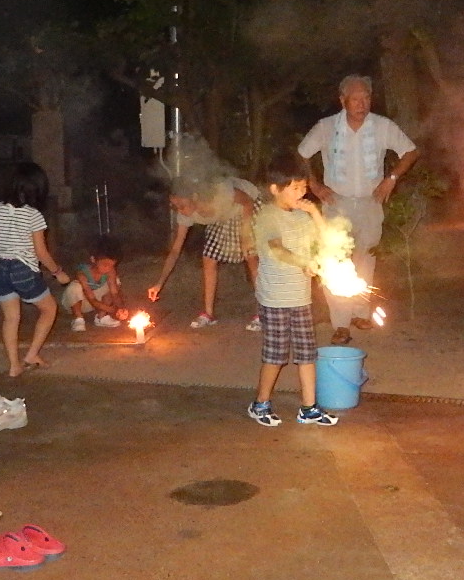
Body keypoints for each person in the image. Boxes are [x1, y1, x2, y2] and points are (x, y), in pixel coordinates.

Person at [297, 74, 419, 345]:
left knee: (366, 257)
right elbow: (302, 153)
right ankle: (340, 323)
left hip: (370, 202)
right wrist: (313, 183)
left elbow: (411, 152)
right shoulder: (327, 127)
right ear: (343, 100)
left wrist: (391, 179)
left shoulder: (382, 126)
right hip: (336, 203)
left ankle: (360, 312)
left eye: (366, 98)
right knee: (335, 260)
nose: (362, 104)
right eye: (356, 99)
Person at [247, 156, 339, 428]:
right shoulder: (267, 216)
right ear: (275, 189)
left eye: (304, 187)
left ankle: (309, 408)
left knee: (307, 354)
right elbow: (277, 249)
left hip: (300, 297)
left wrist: (315, 213)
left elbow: (327, 239)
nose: (302, 193)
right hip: (275, 298)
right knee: (275, 355)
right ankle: (260, 404)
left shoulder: (302, 216)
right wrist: (304, 262)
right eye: (295, 188)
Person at [0, 163, 71, 379]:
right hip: (22, 268)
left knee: (11, 318)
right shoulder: (33, 215)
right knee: (49, 309)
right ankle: (31, 354)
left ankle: (14, 366)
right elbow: (41, 252)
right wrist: (58, 272)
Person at [146, 177, 262, 331]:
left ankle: (263, 313)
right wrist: (159, 283)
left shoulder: (219, 192)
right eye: (175, 206)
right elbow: (175, 250)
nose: (180, 210)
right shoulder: (185, 214)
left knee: (251, 256)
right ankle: (208, 314)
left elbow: (247, 202)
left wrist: (246, 236)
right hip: (223, 216)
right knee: (209, 257)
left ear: (194, 196)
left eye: (182, 205)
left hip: (248, 205)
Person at [61, 235, 126, 331]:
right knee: (74, 287)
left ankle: (101, 317)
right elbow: (92, 300)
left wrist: (121, 308)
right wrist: (113, 310)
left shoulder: (110, 271)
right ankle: (78, 319)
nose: (108, 268)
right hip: (77, 302)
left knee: (116, 281)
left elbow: (114, 293)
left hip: (97, 301)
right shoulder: (82, 273)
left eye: (111, 265)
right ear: (93, 260)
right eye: (105, 265)